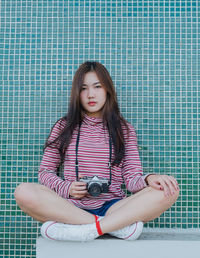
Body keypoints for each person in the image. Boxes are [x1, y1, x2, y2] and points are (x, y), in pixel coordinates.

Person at [14, 61, 179, 242]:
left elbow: (131, 180)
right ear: (77, 93)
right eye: (84, 89)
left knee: (168, 190)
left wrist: (149, 179)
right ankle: (113, 227)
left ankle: (85, 228)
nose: (90, 95)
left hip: (114, 206)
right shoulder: (64, 127)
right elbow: (45, 172)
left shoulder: (124, 130)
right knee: (23, 191)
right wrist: (67, 188)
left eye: (97, 87)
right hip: (72, 207)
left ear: (108, 89)